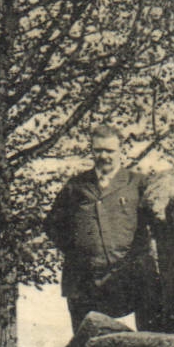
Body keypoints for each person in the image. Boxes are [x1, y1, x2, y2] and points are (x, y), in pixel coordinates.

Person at [44, 121, 153, 332]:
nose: (104, 156)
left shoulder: (137, 183)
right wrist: (77, 250)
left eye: (110, 150)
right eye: (98, 150)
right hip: (84, 280)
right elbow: (52, 224)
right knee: (87, 344)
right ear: (92, 151)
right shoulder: (76, 186)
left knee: (148, 337)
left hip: (129, 277)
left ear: (121, 150)